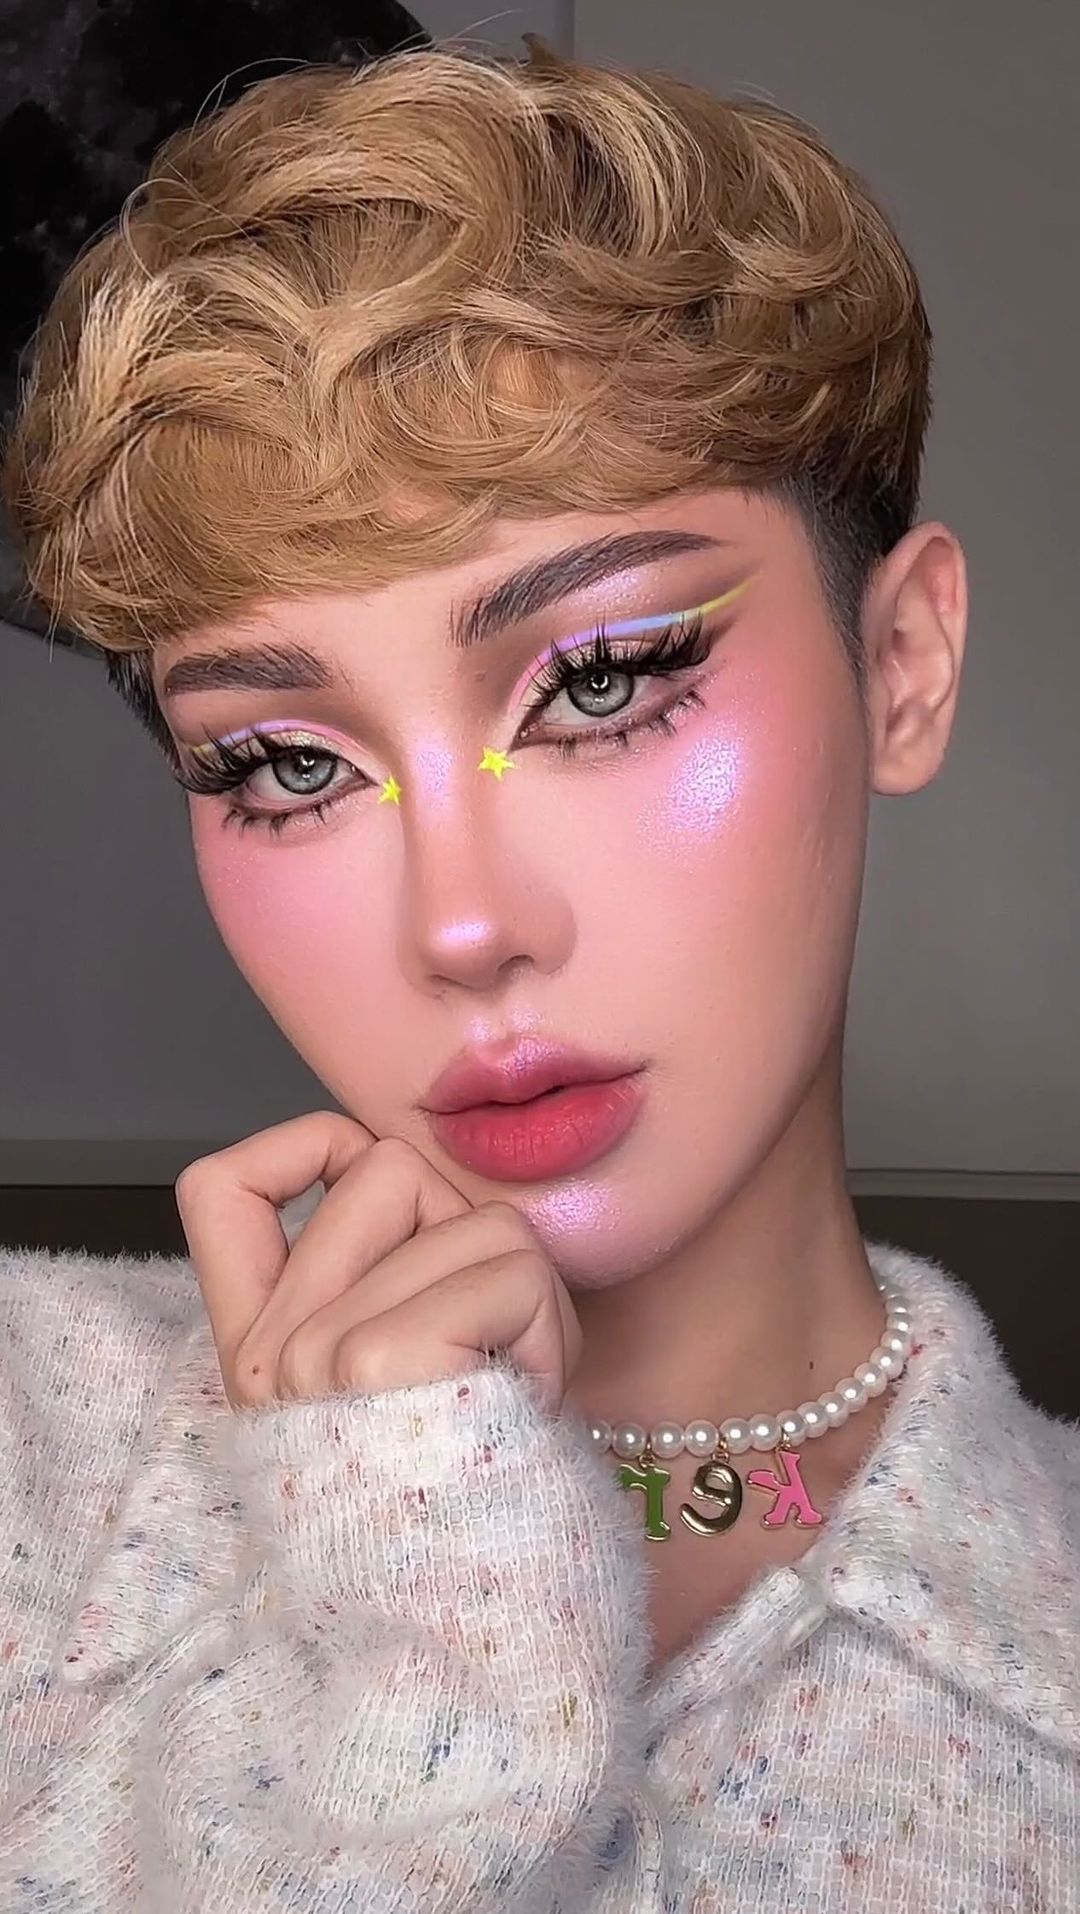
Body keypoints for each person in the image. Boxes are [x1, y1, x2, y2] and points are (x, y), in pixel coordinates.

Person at [1, 34, 1077, 1912]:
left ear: (901, 664)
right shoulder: (30, 1434)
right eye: (284, 764)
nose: (461, 921)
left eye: (601, 680)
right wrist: (416, 1602)